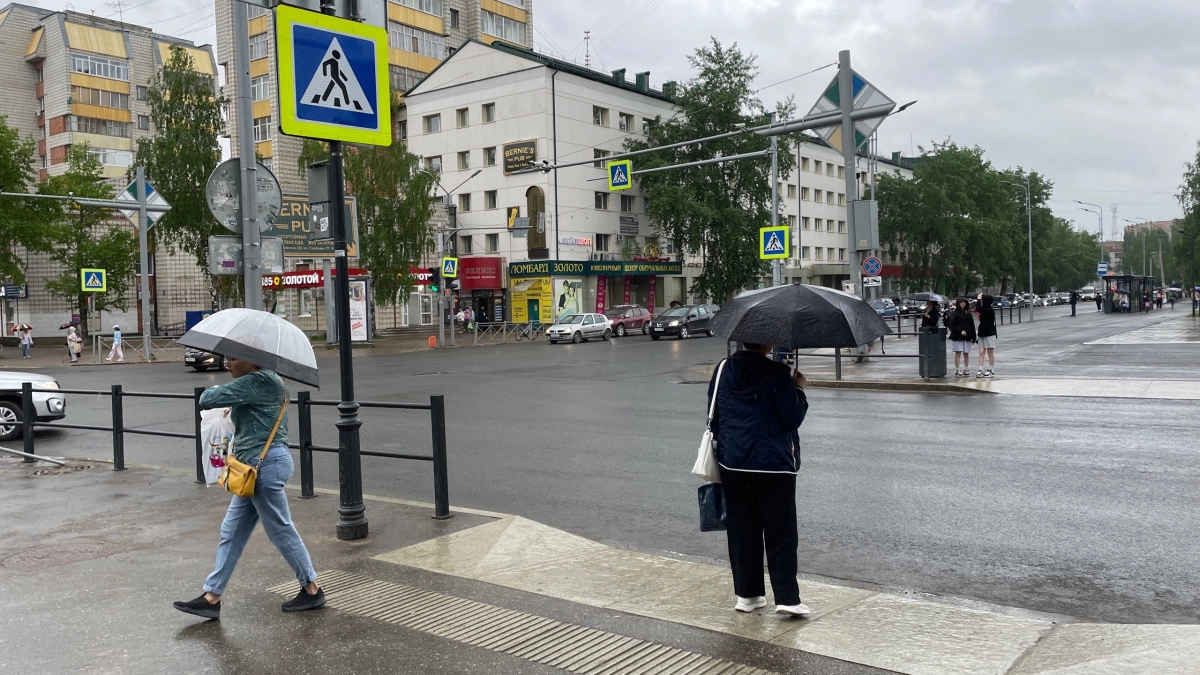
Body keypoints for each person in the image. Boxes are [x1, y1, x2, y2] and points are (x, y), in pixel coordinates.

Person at [174, 358, 323, 620]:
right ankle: (212, 597)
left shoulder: (259, 380)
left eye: (233, 359)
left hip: (262, 467)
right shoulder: (266, 381)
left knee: (280, 529)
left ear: (253, 361)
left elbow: (206, 399)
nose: (227, 363)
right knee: (232, 531)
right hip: (253, 469)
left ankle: (312, 589)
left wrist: (226, 394)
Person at [706, 342, 810, 617]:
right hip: (774, 464)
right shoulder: (778, 373)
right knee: (781, 530)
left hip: (733, 462)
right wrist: (798, 389)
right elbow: (791, 418)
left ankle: (747, 595)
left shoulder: (723, 369)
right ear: (767, 343)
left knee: (742, 529)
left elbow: (714, 416)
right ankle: (786, 598)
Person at [946, 298, 976, 377]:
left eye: (964, 302)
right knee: (958, 352)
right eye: (961, 302)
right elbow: (952, 325)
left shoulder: (968, 314)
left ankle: (966, 368)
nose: (963, 304)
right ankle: (958, 369)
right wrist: (960, 331)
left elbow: (972, 326)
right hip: (957, 336)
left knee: (966, 353)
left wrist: (973, 336)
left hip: (967, 336)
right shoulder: (954, 313)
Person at [975, 294, 997, 378]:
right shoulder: (984, 309)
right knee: (981, 352)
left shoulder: (989, 310)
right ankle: (980, 369)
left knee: (990, 352)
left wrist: (978, 299)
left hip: (990, 333)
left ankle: (991, 369)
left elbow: (979, 308)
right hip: (982, 332)